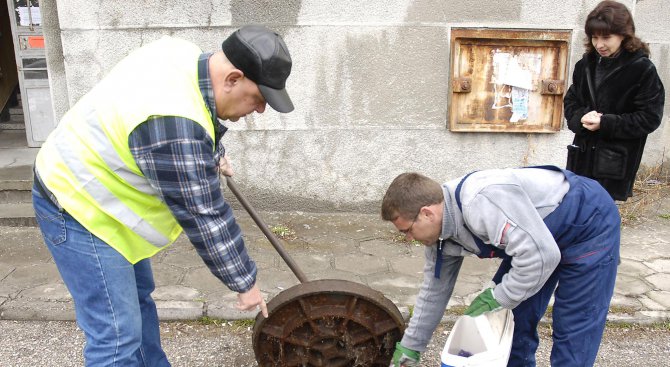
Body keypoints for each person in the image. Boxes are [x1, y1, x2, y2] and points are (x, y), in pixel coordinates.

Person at [31, 25, 293, 366]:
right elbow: (204, 214)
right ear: (232, 78)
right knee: (115, 337)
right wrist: (245, 282)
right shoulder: (173, 121)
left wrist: (209, 152)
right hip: (78, 206)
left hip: (106, 198)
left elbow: (182, 122)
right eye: (258, 98)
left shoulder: (180, 54)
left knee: (137, 305)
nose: (259, 111)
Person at [382, 166, 620, 366]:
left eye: (407, 230)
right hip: (536, 242)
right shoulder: (440, 238)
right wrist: (411, 348)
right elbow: (434, 291)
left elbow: (541, 257)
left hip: (587, 222)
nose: (408, 238)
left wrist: (497, 297)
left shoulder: (480, 204)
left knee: (573, 326)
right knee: (511, 321)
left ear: (426, 213)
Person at [564, 0, 665, 201]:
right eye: (594, 37)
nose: (599, 44)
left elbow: (649, 118)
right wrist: (581, 117)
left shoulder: (642, 69)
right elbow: (570, 101)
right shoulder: (585, 65)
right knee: (578, 216)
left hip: (613, 164)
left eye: (606, 37)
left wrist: (606, 123)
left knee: (601, 220)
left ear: (623, 35)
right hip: (581, 160)